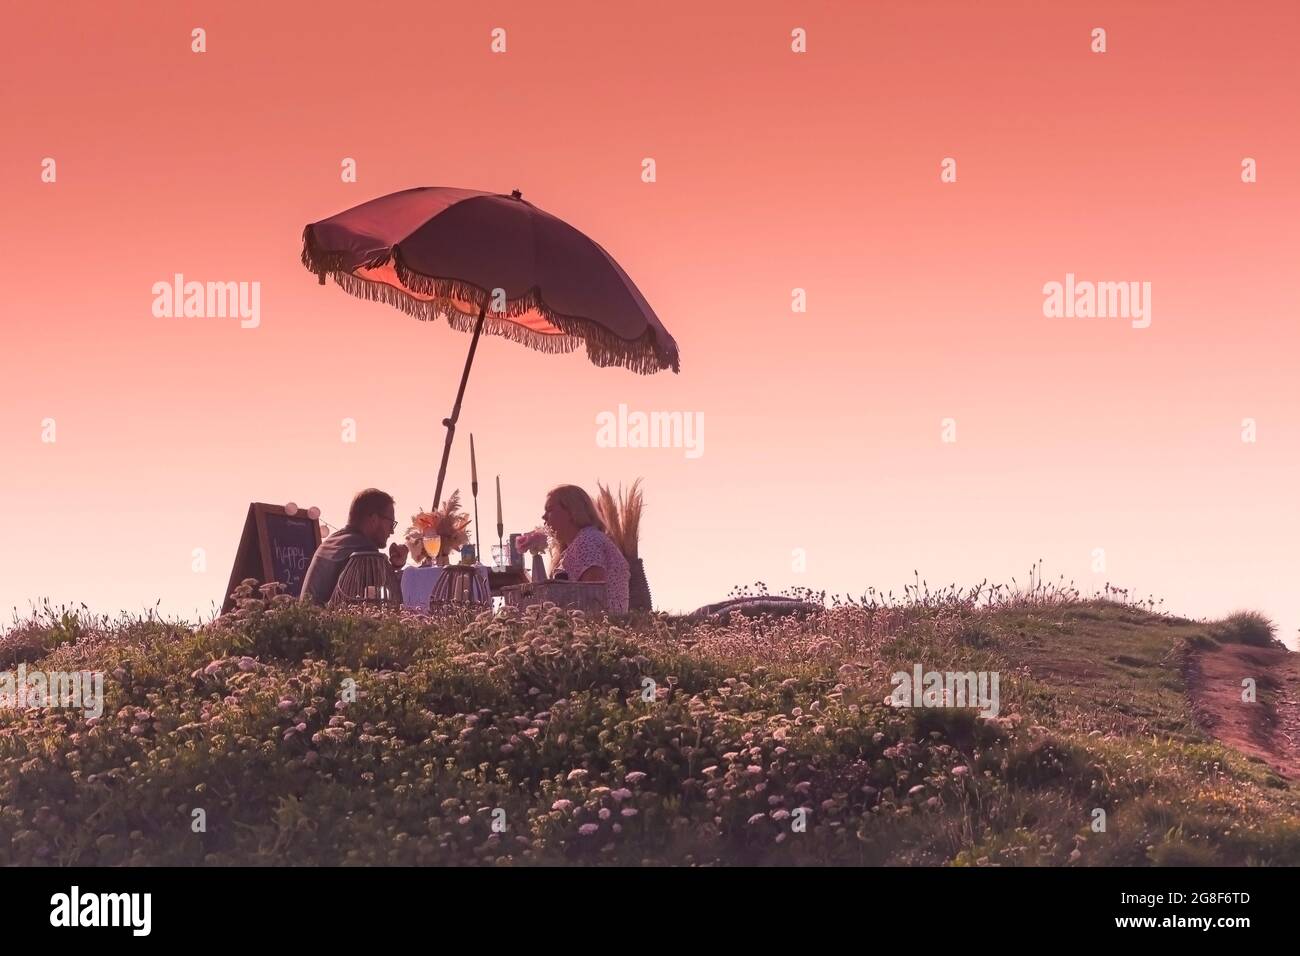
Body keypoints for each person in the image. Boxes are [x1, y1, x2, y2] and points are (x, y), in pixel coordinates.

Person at [300, 488, 399, 605]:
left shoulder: (331, 542)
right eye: (391, 523)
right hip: (332, 622)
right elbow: (372, 605)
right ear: (374, 519)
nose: (392, 531)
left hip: (309, 621)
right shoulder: (364, 550)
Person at [542, 484, 630, 613]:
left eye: (549, 510)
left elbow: (593, 597)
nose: (543, 517)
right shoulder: (580, 543)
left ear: (572, 511)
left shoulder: (588, 541)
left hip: (599, 627)